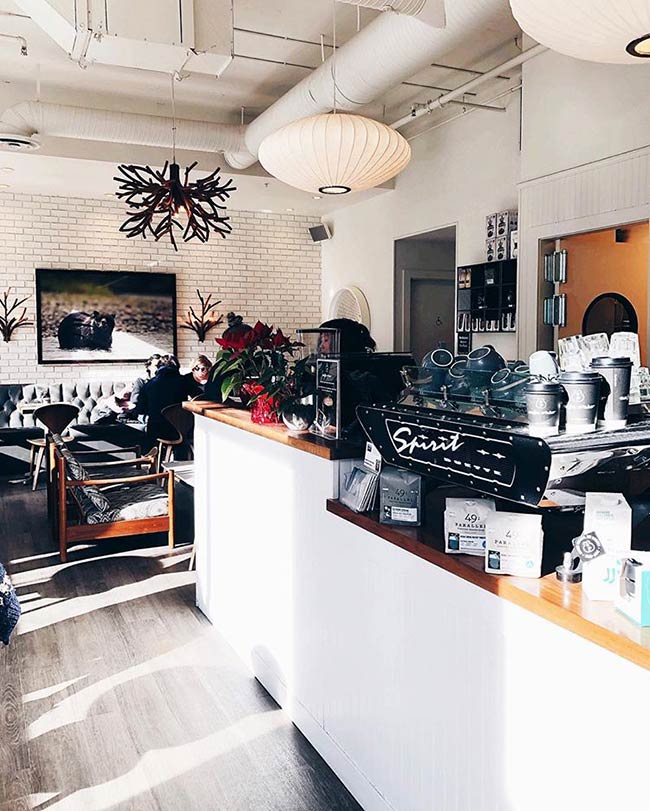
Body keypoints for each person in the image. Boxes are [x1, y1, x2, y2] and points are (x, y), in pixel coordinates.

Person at [134, 354, 194, 451]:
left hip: (157, 431)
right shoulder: (184, 381)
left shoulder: (149, 384)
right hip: (180, 430)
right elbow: (199, 397)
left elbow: (141, 409)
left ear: (158, 367)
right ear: (177, 367)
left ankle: (155, 461)